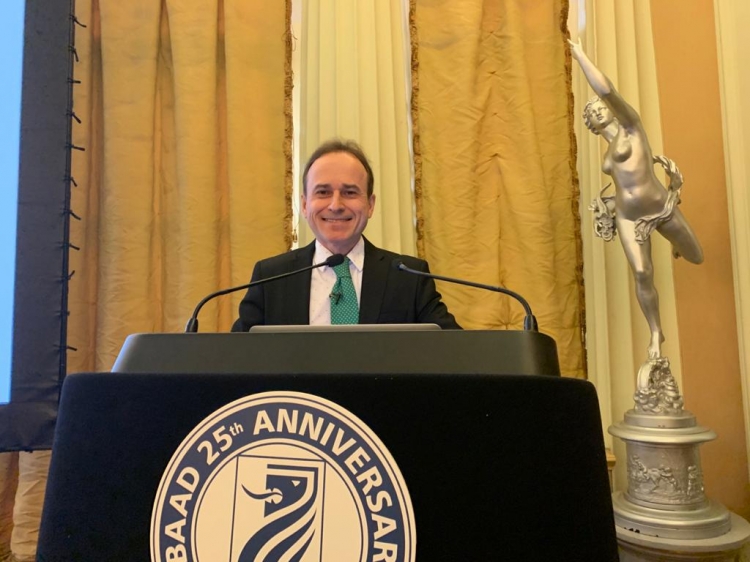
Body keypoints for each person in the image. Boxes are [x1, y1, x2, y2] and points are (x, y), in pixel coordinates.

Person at [231, 139, 460, 331]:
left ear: (370, 205)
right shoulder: (271, 278)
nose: (335, 205)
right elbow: (236, 357)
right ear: (305, 205)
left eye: (350, 193)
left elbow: (456, 351)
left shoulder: (409, 278)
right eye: (323, 192)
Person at [569, 39, 703, 360]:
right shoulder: (607, 153)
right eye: (592, 113)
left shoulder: (631, 128)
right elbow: (620, 184)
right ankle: (656, 332)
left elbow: (606, 90)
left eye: (599, 107)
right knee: (642, 273)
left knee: (695, 255)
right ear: (591, 125)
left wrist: (580, 54)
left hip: (658, 205)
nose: (597, 110)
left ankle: (674, 242)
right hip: (628, 217)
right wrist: (608, 207)